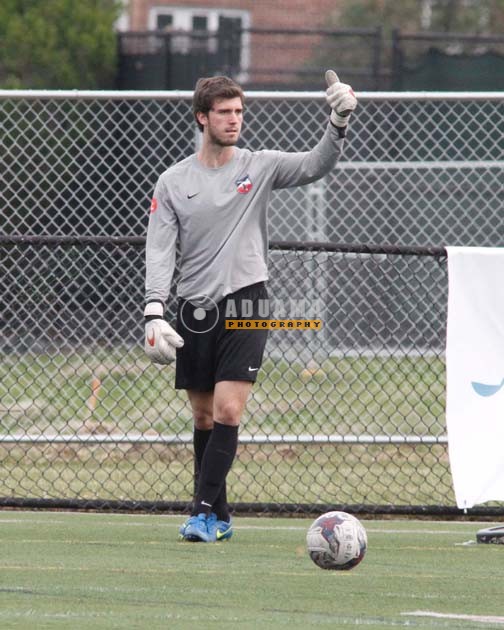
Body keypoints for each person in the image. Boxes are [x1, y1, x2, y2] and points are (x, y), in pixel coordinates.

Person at [143, 70, 357, 542]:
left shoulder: (259, 166)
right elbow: (159, 250)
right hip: (194, 308)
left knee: (228, 410)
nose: (234, 119)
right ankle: (218, 515)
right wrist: (154, 310)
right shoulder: (173, 181)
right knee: (203, 417)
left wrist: (338, 122)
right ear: (202, 117)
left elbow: (315, 164)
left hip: (247, 300)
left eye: (239, 111)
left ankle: (200, 513)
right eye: (224, 112)